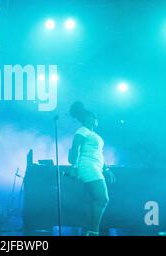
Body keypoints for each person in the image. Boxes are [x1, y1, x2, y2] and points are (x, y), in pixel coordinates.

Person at [68, 101, 115, 236]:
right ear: (84, 119)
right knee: (102, 199)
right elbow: (75, 148)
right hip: (87, 166)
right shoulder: (82, 131)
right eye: (89, 117)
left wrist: (106, 169)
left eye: (93, 117)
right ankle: (93, 232)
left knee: (95, 200)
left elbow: (99, 154)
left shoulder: (95, 135)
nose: (92, 119)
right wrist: (74, 167)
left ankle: (90, 231)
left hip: (96, 166)